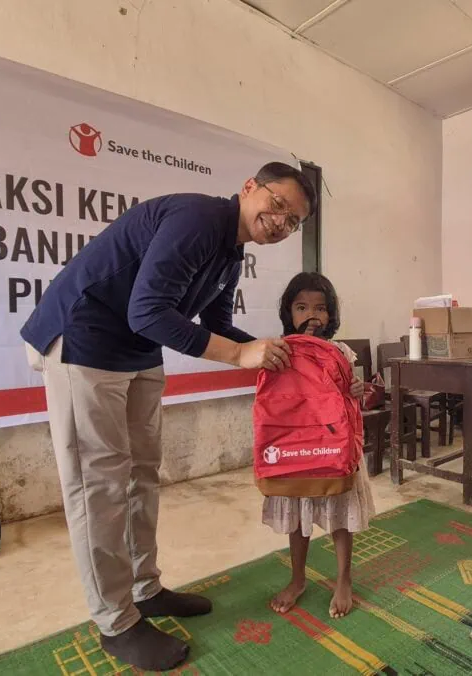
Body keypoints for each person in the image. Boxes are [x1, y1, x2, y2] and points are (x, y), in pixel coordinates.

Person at [21, 163, 315, 671]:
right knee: (100, 486)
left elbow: (217, 323)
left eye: (294, 222)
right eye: (279, 205)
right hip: (84, 339)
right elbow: (148, 311)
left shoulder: (230, 251)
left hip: (135, 352)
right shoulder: (199, 218)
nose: (282, 222)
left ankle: (144, 588)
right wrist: (237, 356)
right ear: (249, 187)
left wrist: (271, 348)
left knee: (140, 475)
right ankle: (115, 622)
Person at [263, 272, 375, 619]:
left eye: (320, 308)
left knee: (339, 514)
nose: (312, 316)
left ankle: (344, 578)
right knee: (298, 516)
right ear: (288, 312)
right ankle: (297, 579)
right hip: (296, 448)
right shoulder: (280, 351)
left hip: (334, 448)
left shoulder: (340, 352)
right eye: (301, 307)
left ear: (331, 315)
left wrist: (356, 392)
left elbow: (349, 394)